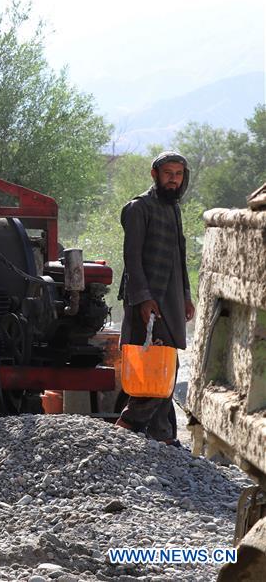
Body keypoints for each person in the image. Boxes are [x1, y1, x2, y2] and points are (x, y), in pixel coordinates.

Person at [115, 150, 195, 444]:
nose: (173, 180)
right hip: (147, 299)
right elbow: (132, 259)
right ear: (155, 174)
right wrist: (144, 299)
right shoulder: (139, 208)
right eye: (168, 174)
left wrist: (186, 295)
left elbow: (180, 256)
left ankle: (163, 435)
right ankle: (127, 424)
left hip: (171, 298)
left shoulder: (174, 209)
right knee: (154, 364)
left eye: (178, 175)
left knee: (167, 363)